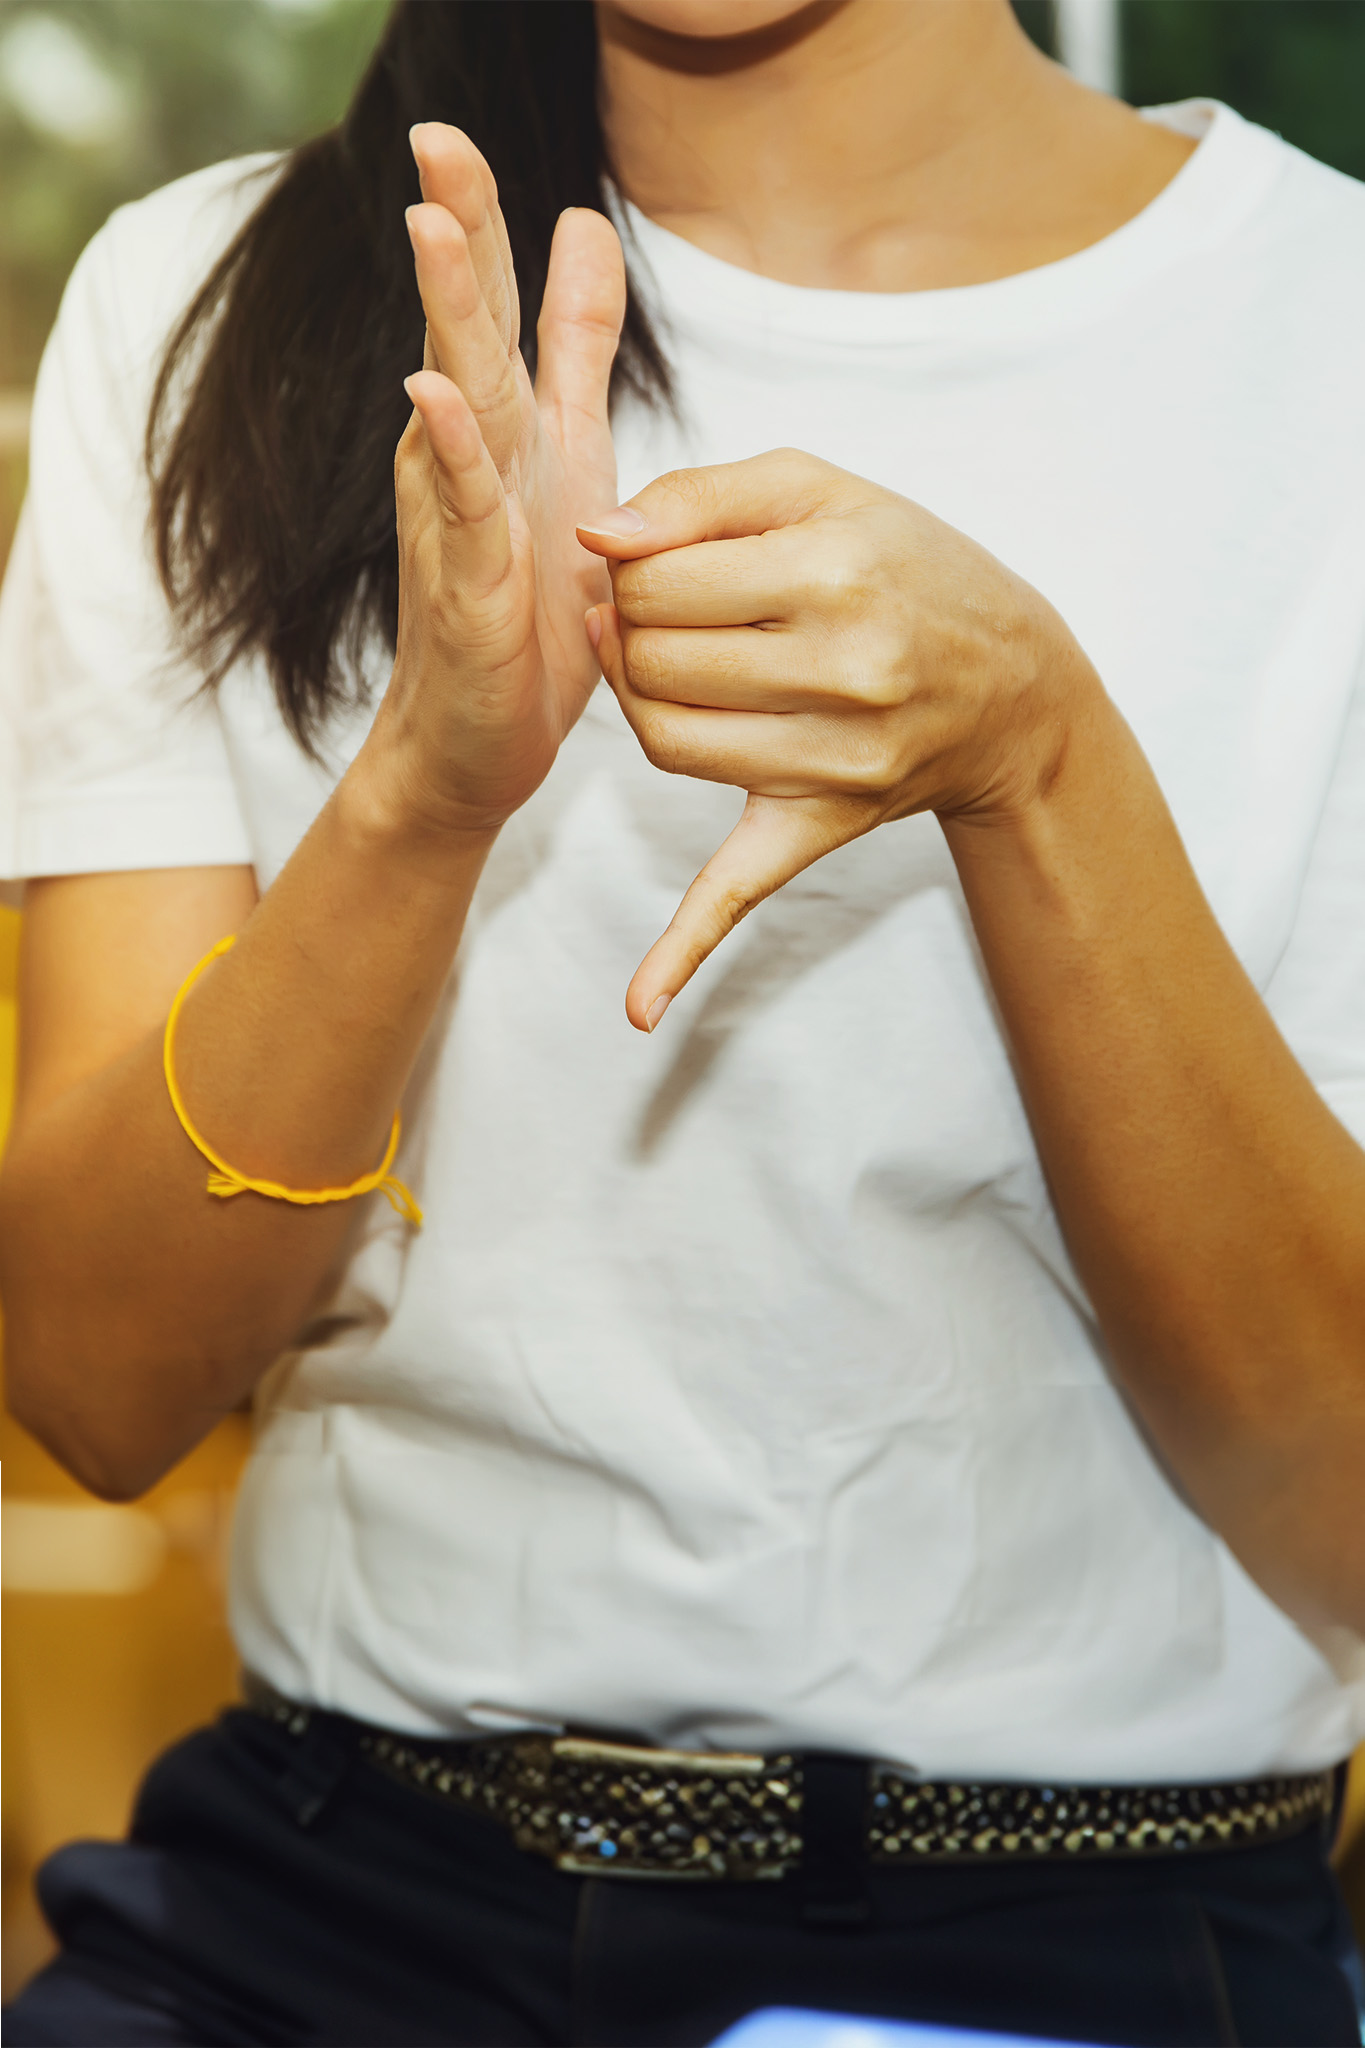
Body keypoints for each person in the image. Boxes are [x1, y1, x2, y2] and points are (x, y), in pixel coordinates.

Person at [1, 0, 1363, 2040]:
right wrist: (423, 795)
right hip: (323, 1908)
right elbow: (97, 1377)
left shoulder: (1313, 332)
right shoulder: (214, 304)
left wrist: (1038, 764)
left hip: (1083, 1945)